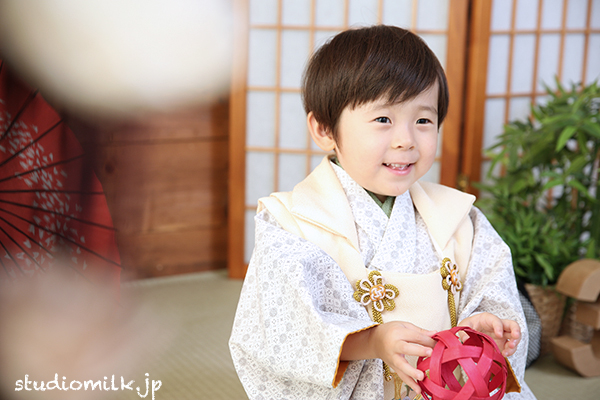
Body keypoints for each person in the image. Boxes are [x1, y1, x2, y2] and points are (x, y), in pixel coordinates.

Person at [230, 25, 536, 400]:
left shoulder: (460, 218)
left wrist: (483, 329)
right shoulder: (293, 223)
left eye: (423, 121)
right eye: (383, 120)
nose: (406, 140)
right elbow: (285, 333)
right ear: (324, 129)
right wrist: (372, 341)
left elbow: (493, 292)